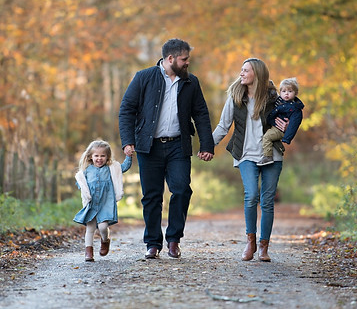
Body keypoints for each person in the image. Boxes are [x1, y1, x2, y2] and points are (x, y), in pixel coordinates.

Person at [119, 38, 214, 259]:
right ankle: (153, 243)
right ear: (170, 59)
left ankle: (173, 240)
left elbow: (201, 114)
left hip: (178, 146)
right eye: (184, 59)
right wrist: (127, 140)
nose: (187, 63)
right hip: (148, 147)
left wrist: (206, 144)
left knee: (181, 190)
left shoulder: (191, 82)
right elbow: (127, 109)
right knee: (151, 196)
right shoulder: (144, 77)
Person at [212, 58, 288, 262]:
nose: (241, 73)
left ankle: (264, 247)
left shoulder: (274, 98)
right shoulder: (236, 96)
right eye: (241, 70)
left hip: (272, 154)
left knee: (267, 201)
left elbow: (292, 114)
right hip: (245, 154)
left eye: (246, 70)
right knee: (251, 195)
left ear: (257, 74)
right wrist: (208, 145)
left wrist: (287, 125)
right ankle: (250, 241)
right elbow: (223, 126)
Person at [73, 140, 132, 262]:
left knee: (103, 227)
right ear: (90, 156)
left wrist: (129, 156)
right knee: (90, 228)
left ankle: (105, 240)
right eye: (96, 156)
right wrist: (83, 189)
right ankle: (88, 252)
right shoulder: (87, 170)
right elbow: (80, 181)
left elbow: (124, 167)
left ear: (107, 157)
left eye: (102, 156)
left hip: (105, 203)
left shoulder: (111, 169)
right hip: (91, 204)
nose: (99, 158)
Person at [257, 77, 304, 166]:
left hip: (279, 130)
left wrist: (287, 137)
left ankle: (268, 156)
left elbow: (294, 124)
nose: (286, 93)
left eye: (290, 91)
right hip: (274, 126)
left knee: (267, 137)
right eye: (284, 91)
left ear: (295, 93)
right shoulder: (279, 101)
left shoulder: (295, 109)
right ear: (280, 92)